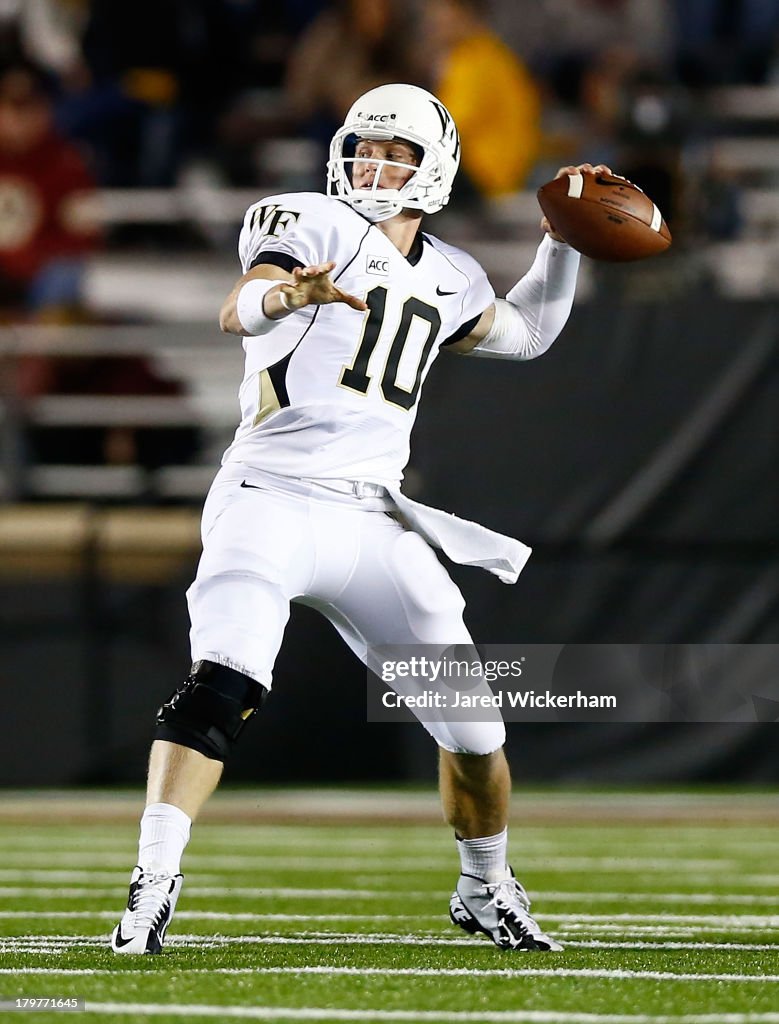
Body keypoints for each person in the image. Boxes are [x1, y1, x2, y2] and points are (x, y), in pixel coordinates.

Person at [111, 82, 608, 955]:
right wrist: (285, 298)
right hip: (268, 499)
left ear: (436, 166)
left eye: (395, 153)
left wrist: (561, 243)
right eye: (364, 149)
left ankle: (485, 888)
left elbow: (525, 333)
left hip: (373, 521)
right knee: (222, 682)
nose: (373, 166)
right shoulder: (310, 220)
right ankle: (152, 881)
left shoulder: (452, 274)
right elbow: (238, 305)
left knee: (476, 732)